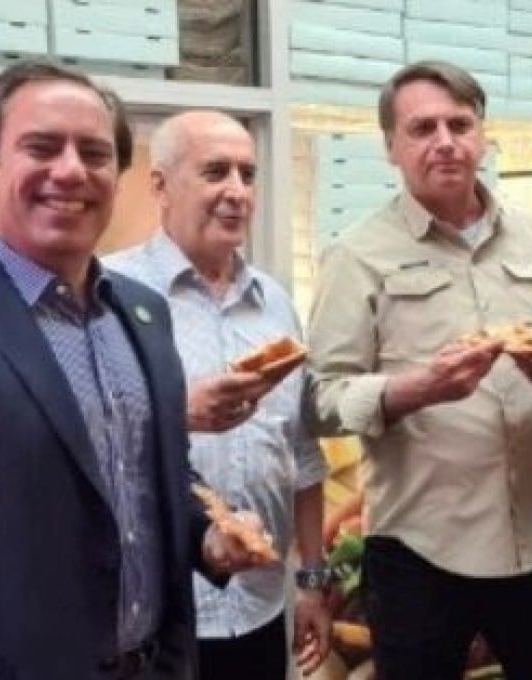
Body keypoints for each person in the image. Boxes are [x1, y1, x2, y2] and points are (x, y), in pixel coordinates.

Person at [307, 60, 532, 680]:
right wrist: (415, 389)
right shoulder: (356, 256)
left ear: (483, 136)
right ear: (392, 147)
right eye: (422, 128)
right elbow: (319, 398)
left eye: (460, 123)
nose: (445, 141)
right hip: (421, 551)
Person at [0, 61, 260, 679]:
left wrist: (207, 535)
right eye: (42, 147)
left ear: (116, 180)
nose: (70, 170)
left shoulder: (143, 311)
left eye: (94, 153)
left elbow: (157, 471)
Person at [104, 110, 331, 679]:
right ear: (159, 184)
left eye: (247, 175)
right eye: (215, 172)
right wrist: (174, 414)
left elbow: (300, 454)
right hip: (156, 619)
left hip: (261, 608)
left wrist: (311, 582)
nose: (236, 192)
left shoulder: (275, 303)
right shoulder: (109, 294)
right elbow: (81, 444)